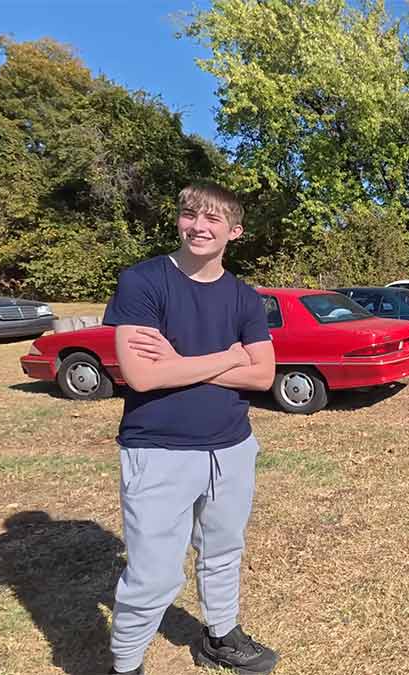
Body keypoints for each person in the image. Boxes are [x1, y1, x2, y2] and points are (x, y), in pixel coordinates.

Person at [103, 181, 278, 675]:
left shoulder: (244, 297)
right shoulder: (143, 282)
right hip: (159, 451)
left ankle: (220, 636)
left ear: (234, 231)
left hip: (232, 448)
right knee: (154, 575)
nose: (198, 227)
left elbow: (263, 375)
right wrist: (226, 356)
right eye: (189, 215)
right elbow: (142, 375)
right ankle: (126, 664)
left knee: (223, 550)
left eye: (212, 220)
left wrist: (181, 362)